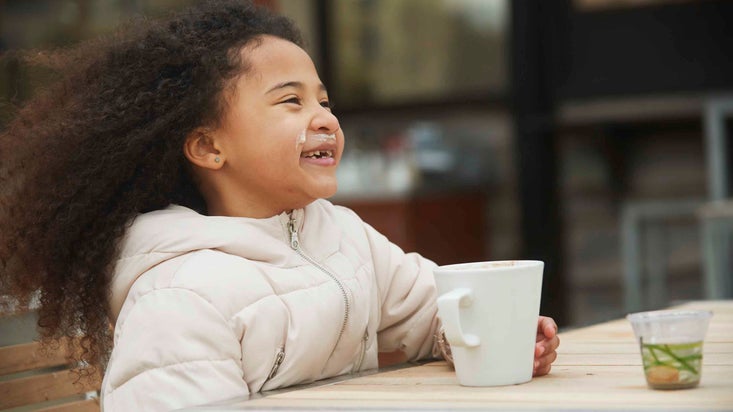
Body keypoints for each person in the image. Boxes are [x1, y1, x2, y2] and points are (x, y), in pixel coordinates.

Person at [0, 1, 559, 411]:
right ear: (208, 147)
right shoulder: (180, 294)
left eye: (323, 99)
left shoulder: (341, 235)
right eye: (290, 101)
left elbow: (432, 312)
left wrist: (494, 336)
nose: (323, 117)